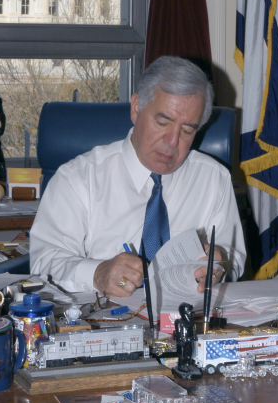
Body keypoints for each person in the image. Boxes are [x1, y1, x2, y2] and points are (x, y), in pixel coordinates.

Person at [30, 56, 246, 296]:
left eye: (187, 131)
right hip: (104, 318)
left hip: (187, 318)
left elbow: (232, 256)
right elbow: (44, 262)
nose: (172, 142)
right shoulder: (79, 178)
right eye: (163, 122)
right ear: (136, 108)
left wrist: (219, 265)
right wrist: (98, 274)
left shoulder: (213, 178)